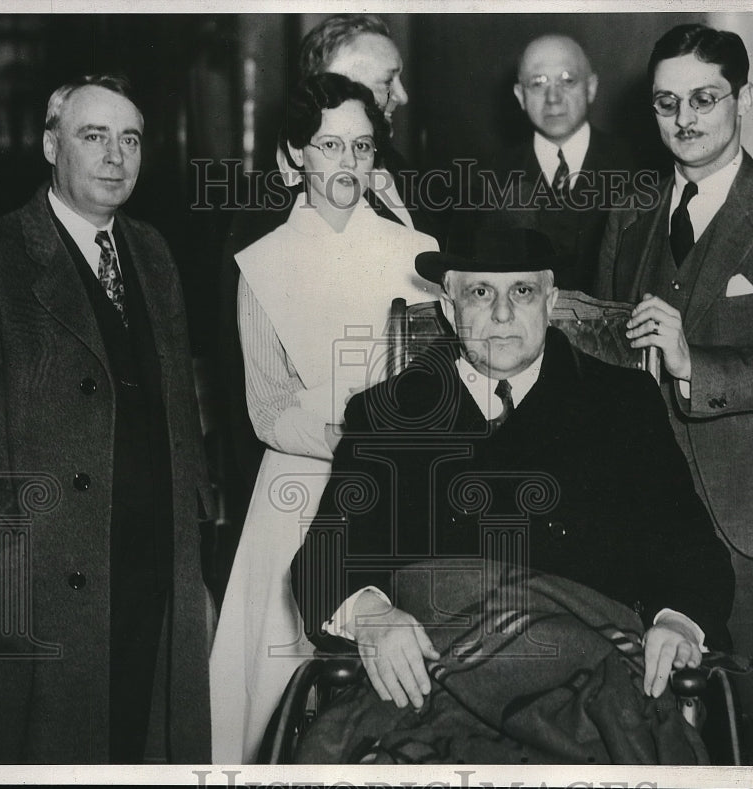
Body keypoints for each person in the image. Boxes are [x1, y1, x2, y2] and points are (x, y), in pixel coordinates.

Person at [290, 220, 735, 762]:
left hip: (587, 695)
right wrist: (372, 615)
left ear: (550, 301)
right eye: (480, 292)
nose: (502, 314)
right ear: (449, 308)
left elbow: (692, 547)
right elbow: (320, 559)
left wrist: (675, 620)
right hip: (432, 691)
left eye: (521, 291)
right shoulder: (387, 413)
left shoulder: (623, 403)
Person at [0, 75, 213, 763]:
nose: (115, 156)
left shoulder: (152, 252)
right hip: (47, 578)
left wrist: (194, 551)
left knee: (144, 741)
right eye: (94, 136)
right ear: (51, 144)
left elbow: (179, 411)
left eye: (130, 139)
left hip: (151, 562)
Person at [595, 23, 753, 764]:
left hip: (749, 497)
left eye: (704, 98)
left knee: (749, 702)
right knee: (645, 696)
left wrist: (689, 360)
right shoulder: (631, 212)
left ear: (744, 99)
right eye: (667, 103)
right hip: (644, 493)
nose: (685, 119)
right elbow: (609, 350)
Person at [208, 72, 439, 764]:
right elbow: (268, 407)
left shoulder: (415, 250)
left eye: (363, 147)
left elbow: (436, 381)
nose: (348, 163)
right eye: (330, 145)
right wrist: (355, 440)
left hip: (402, 489)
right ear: (293, 157)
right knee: (286, 696)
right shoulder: (265, 262)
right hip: (302, 492)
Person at [211, 13, 432, 607]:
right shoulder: (261, 233)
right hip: (301, 478)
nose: (401, 96)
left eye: (361, 147)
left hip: (405, 475)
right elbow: (256, 401)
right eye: (388, 81)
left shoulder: (405, 194)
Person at [481, 34, 637, 292]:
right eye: (538, 83)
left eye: (567, 80)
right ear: (520, 95)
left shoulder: (635, 167)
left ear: (591, 87)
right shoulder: (493, 175)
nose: (553, 97)